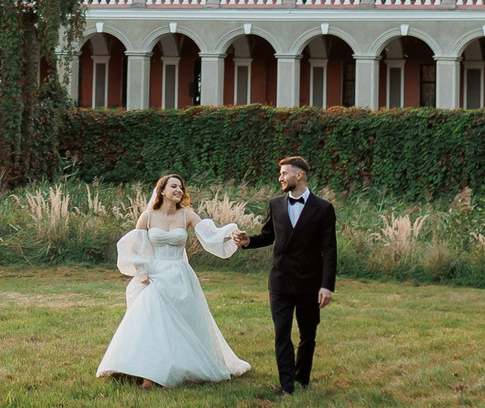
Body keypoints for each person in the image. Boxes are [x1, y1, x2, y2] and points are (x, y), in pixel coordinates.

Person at [95, 174, 251, 387]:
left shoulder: (186, 215)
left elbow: (211, 234)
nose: (178, 190)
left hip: (179, 274)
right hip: (155, 274)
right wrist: (141, 272)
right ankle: (143, 374)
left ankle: (174, 367)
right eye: (173, 186)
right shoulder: (147, 217)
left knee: (182, 323)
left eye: (180, 187)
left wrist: (231, 234)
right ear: (161, 191)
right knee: (150, 321)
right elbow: (135, 247)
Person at [232, 155, 336, 395]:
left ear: (298, 176)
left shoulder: (323, 208)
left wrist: (326, 285)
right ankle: (286, 386)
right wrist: (248, 241)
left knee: (308, 335)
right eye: (280, 174)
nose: (280, 178)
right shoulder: (275, 204)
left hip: (310, 283)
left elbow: (329, 249)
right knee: (281, 334)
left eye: (284, 173)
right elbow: (268, 236)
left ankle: (302, 378)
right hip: (279, 281)